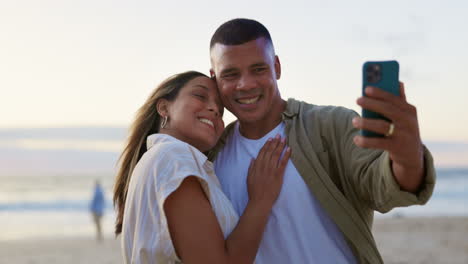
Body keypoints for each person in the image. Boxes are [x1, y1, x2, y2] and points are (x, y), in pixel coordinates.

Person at [208, 18, 436, 264]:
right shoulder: (209, 153)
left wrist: (407, 157)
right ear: (214, 78)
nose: (246, 84)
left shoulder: (332, 124)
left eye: (259, 69)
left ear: (277, 67)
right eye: (230, 74)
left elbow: (383, 188)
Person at [113, 71, 291, 263]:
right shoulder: (173, 157)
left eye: (221, 111)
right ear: (164, 107)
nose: (214, 109)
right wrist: (260, 201)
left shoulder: (158, 160)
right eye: (200, 96)